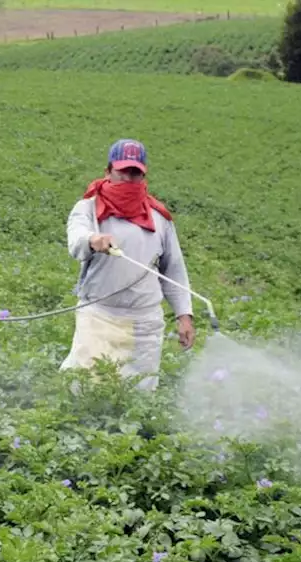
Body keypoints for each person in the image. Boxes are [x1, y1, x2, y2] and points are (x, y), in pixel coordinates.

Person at [61, 138, 195, 391]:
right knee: (85, 385)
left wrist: (184, 316)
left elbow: (174, 269)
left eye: (135, 173)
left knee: (138, 389)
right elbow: (76, 239)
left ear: (143, 176)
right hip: (99, 313)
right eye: (123, 171)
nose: (128, 178)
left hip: (144, 320)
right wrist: (92, 240)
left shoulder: (159, 218)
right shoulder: (88, 208)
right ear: (108, 171)